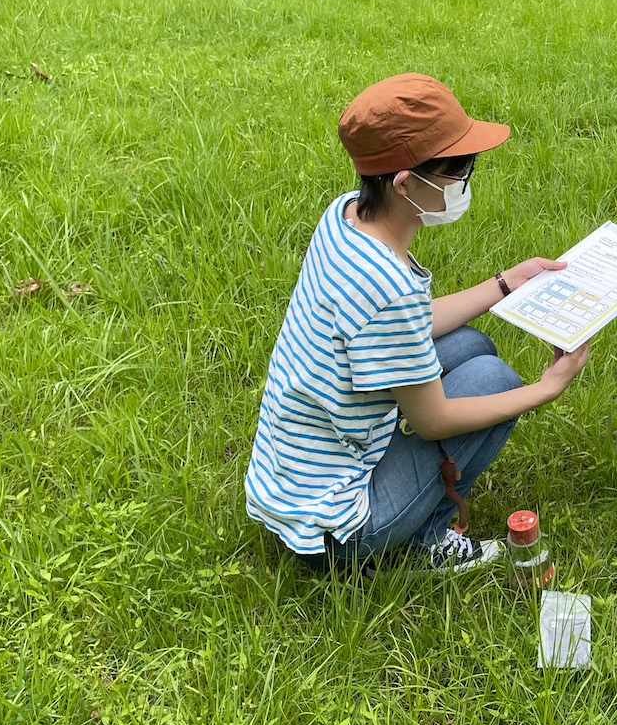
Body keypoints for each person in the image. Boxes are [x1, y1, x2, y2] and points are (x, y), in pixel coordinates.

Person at [245, 74, 591, 573]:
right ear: (407, 184)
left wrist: (505, 283)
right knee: (496, 382)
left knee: (471, 345)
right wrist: (545, 389)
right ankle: (424, 540)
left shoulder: (345, 217)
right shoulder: (387, 287)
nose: (465, 183)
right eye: (459, 172)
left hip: (292, 482)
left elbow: (407, 328)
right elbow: (433, 421)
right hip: (338, 529)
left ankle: (417, 517)